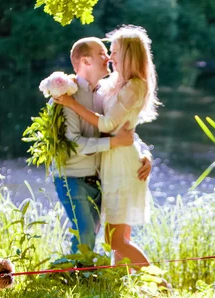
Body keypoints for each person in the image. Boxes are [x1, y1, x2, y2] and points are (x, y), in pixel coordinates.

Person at [53, 26, 158, 268]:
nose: (110, 57)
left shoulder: (134, 86)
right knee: (119, 237)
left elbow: (114, 125)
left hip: (121, 163)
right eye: (107, 52)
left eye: (114, 51)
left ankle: (162, 287)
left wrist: (145, 153)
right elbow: (121, 131)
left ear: (129, 54)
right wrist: (68, 88)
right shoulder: (112, 83)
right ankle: (123, 282)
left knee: (115, 239)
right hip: (108, 162)